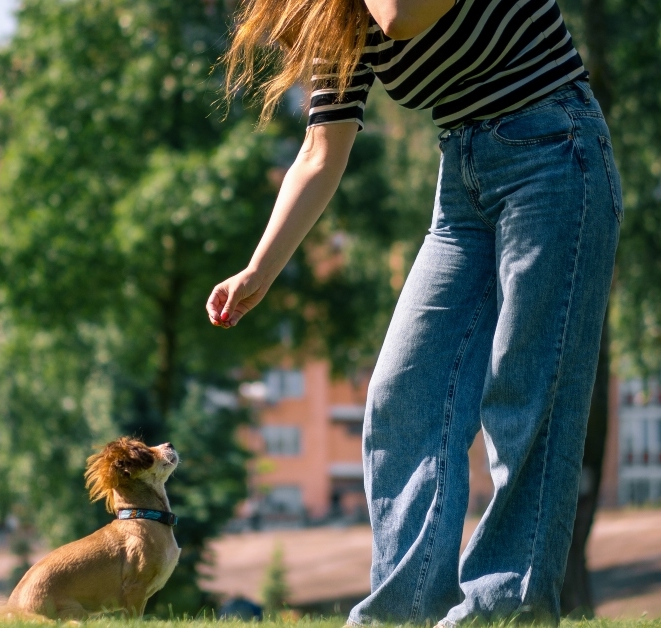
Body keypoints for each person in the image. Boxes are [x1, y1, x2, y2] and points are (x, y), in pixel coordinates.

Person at [208, 0, 621, 624]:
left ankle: (505, 608)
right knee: (404, 395)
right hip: (463, 180)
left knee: (527, 398)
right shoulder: (337, 18)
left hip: (555, 151)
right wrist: (258, 270)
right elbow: (320, 153)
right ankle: (400, 613)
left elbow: (402, 15)